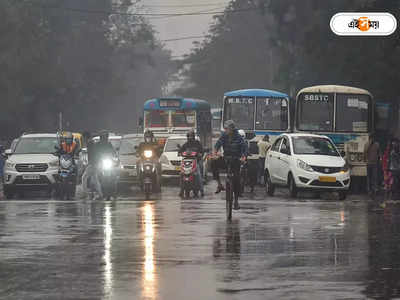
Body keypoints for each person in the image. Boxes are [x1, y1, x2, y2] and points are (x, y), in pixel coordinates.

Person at [213, 120, 247, 210]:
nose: (226, 130)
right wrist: (215, 152)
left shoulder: (239, 137)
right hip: (226, 158)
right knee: (213, 162)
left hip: (236, 160)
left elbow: (244, 148)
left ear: (232, 129)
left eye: (227, 128)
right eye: (225, 129)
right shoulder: (224, 135)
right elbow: (218, 144)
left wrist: (243, 157)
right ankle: (219, 184)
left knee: (236, 179)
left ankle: (236, 201)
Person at [178, 129, 204, 197]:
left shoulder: (197, 143)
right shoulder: (186, 144)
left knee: (198, 174)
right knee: (181, 174)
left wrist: (200, 154)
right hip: (187, 162)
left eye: (191, 136)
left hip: (196, 161)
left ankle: (201, 190)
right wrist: (180, 152)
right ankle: (181, 190)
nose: (190, 137)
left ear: (193, 136)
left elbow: (202, 151)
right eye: (188, 136)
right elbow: (180, 151)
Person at [93, 131, 116, 199]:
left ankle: (112, 192)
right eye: (103, 137)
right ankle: (96, 191)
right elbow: (95, 153)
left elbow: (113, 152)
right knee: (97, 175)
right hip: (100, 162)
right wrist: (96, 159)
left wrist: (114, 156)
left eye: (105, 137)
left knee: (113, 175)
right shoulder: (97, 145)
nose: (104, 138)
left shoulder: (109, 144)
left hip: (108, 161)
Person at [364, 134, 380, 199]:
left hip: (375, 163)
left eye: (373, 139)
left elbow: (379, 153)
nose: (372, 140)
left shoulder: (377, 144)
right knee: (369, 177)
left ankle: (374, 189)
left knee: (374, 176)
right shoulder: (366, 144)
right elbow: (364, 152)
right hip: (369, 163)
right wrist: (365, 160)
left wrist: (378, 159)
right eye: (371, 139)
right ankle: (369, 189)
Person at [81, 131, 96, 198]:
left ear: (85, 137)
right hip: (94, 163)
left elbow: (92, 154)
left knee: (84, 177)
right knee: (95, 179)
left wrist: (90, 162)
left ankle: (85, 193)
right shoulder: (92, 142)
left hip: (92, 163)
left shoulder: (90, 143)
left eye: (83, 137)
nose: (83, 139)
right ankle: (99, 194)